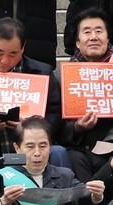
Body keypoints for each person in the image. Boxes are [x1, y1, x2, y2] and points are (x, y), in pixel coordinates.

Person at [0, 17, 66, 166]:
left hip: (32, 150)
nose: (5, 61)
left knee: (58, 152)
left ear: (23, 47)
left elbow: (56, 115)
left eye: (13, 54)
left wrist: (32, 125)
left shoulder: (41, 73)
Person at [62, 7, 113, 182]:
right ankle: (93, 204)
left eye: (99, 31)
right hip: (80, 149)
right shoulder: (61, 77)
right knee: (71, 157)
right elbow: (56, 127)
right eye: (87, 32)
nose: (93, 37)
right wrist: (77, 128)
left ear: (107, 38)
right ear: (77, 42)